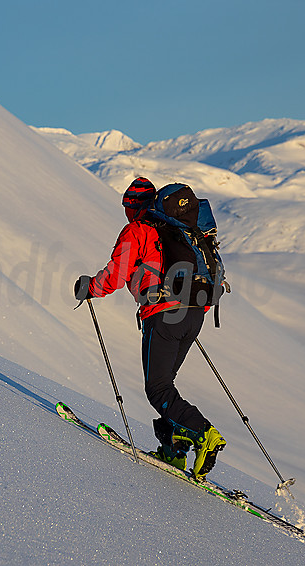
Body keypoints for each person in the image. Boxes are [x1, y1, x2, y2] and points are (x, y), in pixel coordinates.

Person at [74, 177, 226, 480]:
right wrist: (191, 311)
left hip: (164, 313)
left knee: (157, 389)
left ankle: (204, 433)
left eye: (127, 207)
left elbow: (117, 274)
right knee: (165, 382)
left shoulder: (139, 230)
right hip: (195, 313)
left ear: (132, 206)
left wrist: (89, 287)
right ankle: (174, 449)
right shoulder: (179, 231)